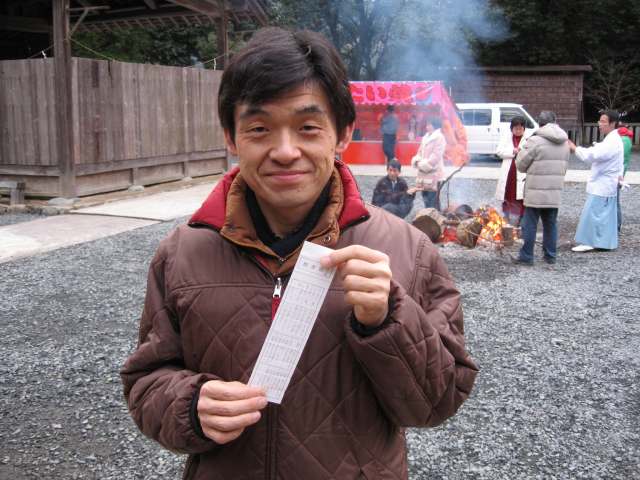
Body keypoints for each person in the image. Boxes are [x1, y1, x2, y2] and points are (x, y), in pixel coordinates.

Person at [120, 27, 478, 480]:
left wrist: (388, 319)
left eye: (308, 127)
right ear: (231, 137)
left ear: (342, 133)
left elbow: (437, 401)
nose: (286, 151)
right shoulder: (183, 253)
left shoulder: (408, 251)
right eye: (259, 129)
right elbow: (146, 378)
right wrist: (189, 406)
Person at [511, 111, 569, 265]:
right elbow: (564, 167)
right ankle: (550, 255)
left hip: (535, 190)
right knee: (551, 224)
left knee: (529, 224)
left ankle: (526, 256)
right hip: (554, 190)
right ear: (555, 121)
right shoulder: (564, 141)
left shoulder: (535, 140)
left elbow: (520, 165)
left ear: (540, 123)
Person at [567, 110, 624, 252]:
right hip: (606, 182)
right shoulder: (613, 139)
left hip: (603, 183)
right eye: (600, 121)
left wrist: (575, 148)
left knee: (594, 213)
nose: (600, 124)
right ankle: (603, 242)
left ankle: (590, 241)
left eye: (603, 121)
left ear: (612, 123)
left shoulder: (612, 141)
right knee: (603, 215)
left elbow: (592, 155)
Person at [495, 116, 532, 226]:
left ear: (524, 128)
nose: (518, 131)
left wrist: (521, 152)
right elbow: (499, 151)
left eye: (520, 128)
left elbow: (531, 153)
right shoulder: (506, 137)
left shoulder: (529, 138)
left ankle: (521, 218)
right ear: (511, 129)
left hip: (522, 170)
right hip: (509, 171)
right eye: (516, 129)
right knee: (507, 194)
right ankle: (506, 215)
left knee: (521, 196)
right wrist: (513, 151)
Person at [410, 117, 446, 210]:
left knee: (433, 198)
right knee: (425, 197)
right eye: (427, 124)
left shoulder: (439, 137)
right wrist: (417, 161)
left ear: (435, 125)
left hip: (434, 172)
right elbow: (419, 152)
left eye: (429, 124)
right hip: (424, 173)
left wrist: (423, 165)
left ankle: (435, 216)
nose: (427, 127)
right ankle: (428, 215)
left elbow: (436, 156)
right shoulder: (425, 137)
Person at [617, 124, 633, 232]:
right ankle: (617, 225)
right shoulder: (628, 139)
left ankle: (616, 225)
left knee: (614, 201)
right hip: (622, 170)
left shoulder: (621, 140)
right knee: (615, 200)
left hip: (617, 173)